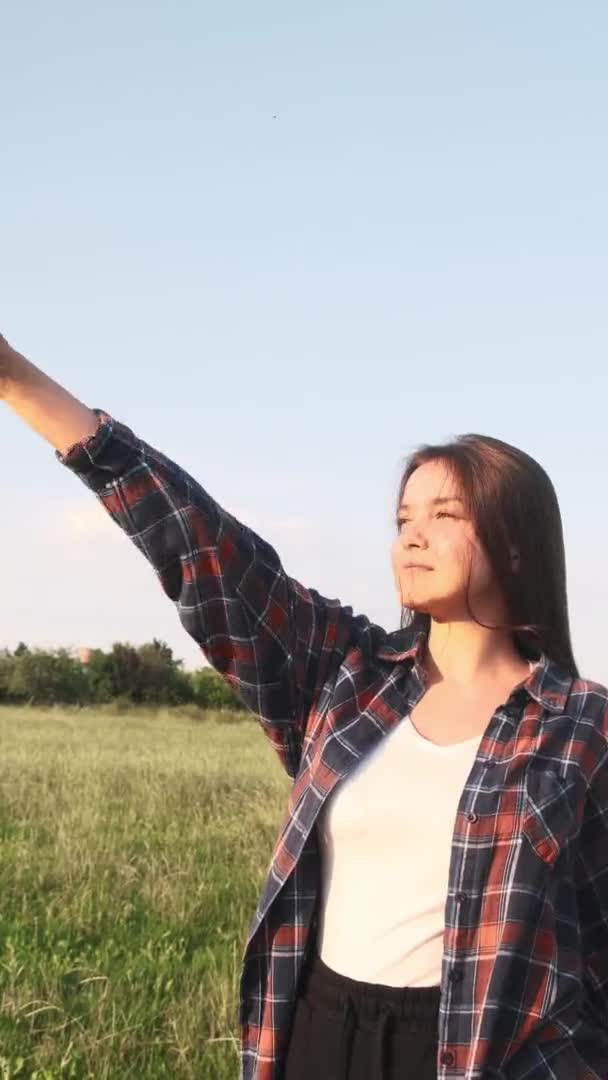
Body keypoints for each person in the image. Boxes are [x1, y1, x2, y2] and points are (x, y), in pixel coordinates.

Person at [1, 331, 608, 1080]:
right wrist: (14, 377)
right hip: (318, 1032)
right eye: (403, 519)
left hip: (483, 1055)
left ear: (517, 545)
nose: (412, 536)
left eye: (445, 515)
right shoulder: (346, 676)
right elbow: (202, 547)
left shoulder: (581, 727)